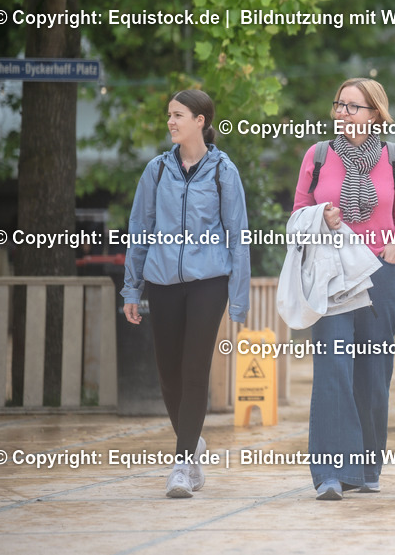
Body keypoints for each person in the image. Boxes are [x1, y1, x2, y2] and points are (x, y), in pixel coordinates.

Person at [293, 78, 395, 501]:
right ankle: (330, 473)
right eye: (339, 105)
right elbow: (298, 212)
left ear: (374, 114)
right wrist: (319, 217)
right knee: (333, 369)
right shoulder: (318, 155)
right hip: (331, 275)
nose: (342, 113)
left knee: (373, 375)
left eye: (353, 106)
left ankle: (365, 467)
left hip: (381, 273)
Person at [122, 89, 250, 498]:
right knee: (168, 374)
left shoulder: (223, 171)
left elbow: (239, 237)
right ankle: (192, 443)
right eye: (169, 115)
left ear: (200, 120)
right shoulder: (157, 170)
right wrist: (131, 288)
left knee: (195, 370)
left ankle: (181, 466)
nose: (170, 122)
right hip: (161, 283)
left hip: (208, 283)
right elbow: (139, 230)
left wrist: (239, 299)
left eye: (178, 115)